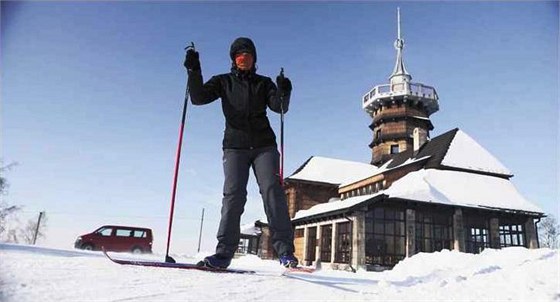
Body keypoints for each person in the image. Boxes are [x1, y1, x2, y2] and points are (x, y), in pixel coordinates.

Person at [184, 37, 298, 269]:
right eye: (239, 55)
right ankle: (224, 254)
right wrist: (194, 70)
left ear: (254, 59)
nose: (243, 58)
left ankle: (285, 252)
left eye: (248, 54)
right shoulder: (223, 82)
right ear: (233, 60)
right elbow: (197, 98)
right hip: (235, 146)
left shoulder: (263, 83)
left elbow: (279, 107)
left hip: (264, 145)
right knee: (233, 196)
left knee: (272, 192)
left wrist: (284, 90)